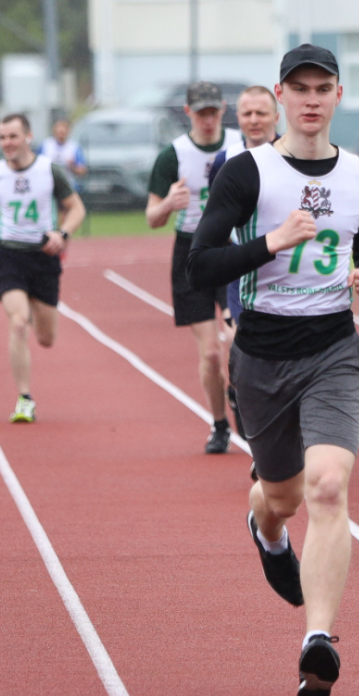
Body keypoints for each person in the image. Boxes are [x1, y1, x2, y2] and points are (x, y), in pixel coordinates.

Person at [187, 45, 359, 695]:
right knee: (282, 496)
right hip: (262, 357)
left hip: (333, 351)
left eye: (321, 88)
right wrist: (269, 243)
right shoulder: (249, 175)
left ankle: (318, 642)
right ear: (280, 95)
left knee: (328, 488)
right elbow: (201, 263)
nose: (309, 99)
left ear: (338, 96)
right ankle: (265, 526)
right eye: (297, 88)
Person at [0, 113, 86, 423]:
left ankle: (32, 305)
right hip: (10, 256)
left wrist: (63, 234)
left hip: (44, 257)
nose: (7, 143)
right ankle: (25, 399)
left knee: (46, 339)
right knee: (18, 322)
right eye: (2, 137)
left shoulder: (50, 171)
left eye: (13, 137)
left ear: (28, 137)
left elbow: (76, 208)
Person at [146, 82, 245, 454]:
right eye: (200, 113)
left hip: (234, 248)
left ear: (222, 110)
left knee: (237, 340)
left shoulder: (240, 145)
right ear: (188, 113)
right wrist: (169, 202)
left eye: (213, 112)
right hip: (192, 250)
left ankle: (238, 393)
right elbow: (151, 218)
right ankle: (220, 425)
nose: (207, 119)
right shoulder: (173, 156)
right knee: (210, 352)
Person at [207, 86, 282, 445]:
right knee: (241, 344)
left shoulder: (292, 155)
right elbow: (216, 226)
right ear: (238, 118)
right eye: (247, 114)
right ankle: (245, 400)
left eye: (261, 113)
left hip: (286, 270)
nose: (254, 121)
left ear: (276, 117)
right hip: (241, 272)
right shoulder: (225, 161)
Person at [38, 117, 87, 189]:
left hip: (68, 185)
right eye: (59, 132)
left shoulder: (74, 147)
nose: (61, 135)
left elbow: (82, 171)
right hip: (48, 185)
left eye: (63, 133)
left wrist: (72, 167)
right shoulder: (46, 145)